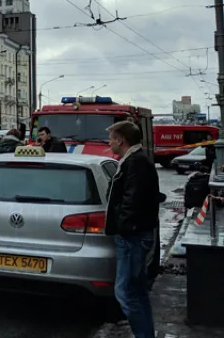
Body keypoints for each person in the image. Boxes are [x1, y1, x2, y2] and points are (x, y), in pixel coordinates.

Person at [105, 121, 159, 338]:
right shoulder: (135, 160)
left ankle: (143, 334)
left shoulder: (135, 162)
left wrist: (123, 227)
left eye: (111, 139)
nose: (109, 143)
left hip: (132, 237)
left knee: (125, 292)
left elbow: (132, 200)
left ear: (121, 140)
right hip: (136, 234)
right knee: (136, 290)